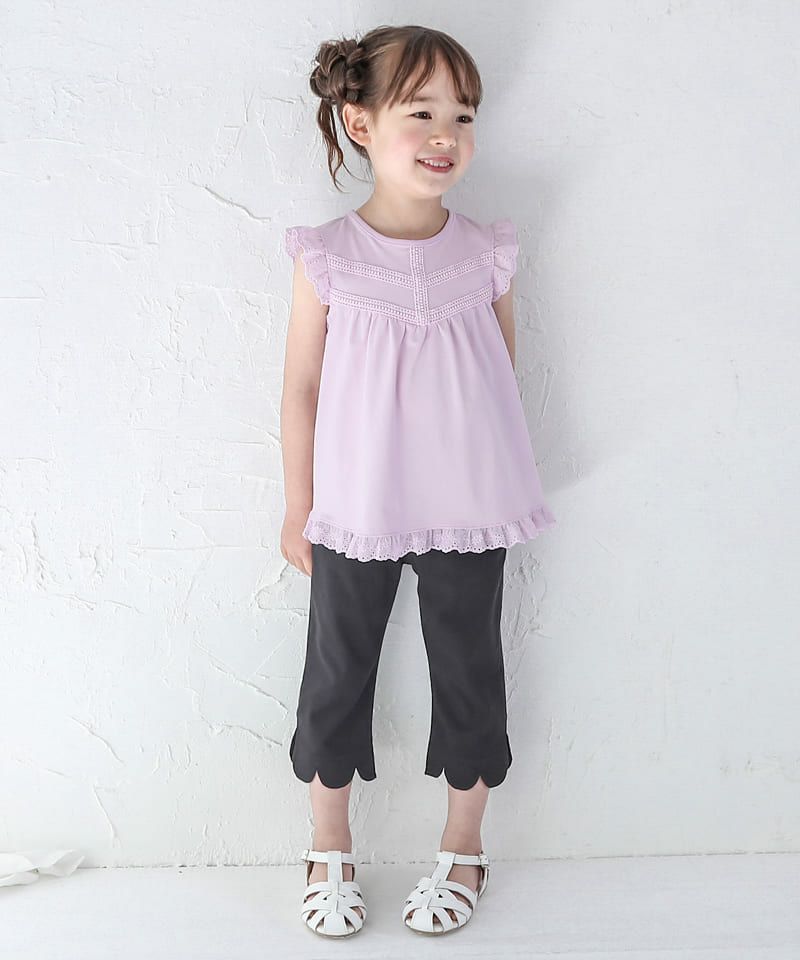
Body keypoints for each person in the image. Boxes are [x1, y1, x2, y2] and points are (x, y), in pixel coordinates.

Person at [279, 24, 556, 938]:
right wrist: (298, 505)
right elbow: (303, 387)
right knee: (337, 672)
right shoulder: (327, 255)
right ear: (360, 123)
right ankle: (328, 845)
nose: (447, 134)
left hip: (471, 505)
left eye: (463, 116)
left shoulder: (486, 252)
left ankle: (464, 847)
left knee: (470, 669)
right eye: (422, 112)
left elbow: (496, 375)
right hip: (355, 506)